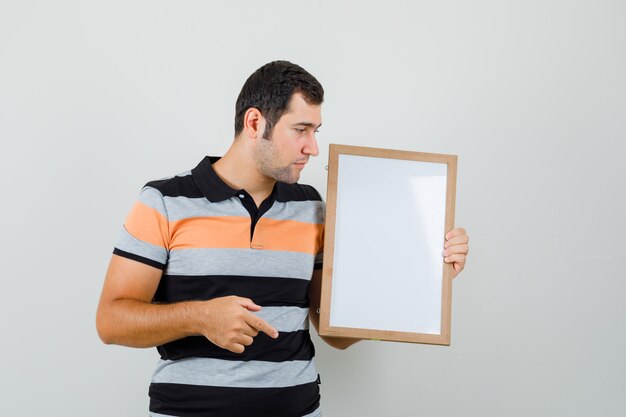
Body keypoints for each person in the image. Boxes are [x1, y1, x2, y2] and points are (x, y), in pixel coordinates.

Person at [96, 60, 470, 417]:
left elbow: (334, 330)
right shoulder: (164, 201)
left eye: (315, 131)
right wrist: (200, 316)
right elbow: (111, 321)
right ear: (255, 122)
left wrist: (424, 281)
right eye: (301, 129)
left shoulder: (311, 208)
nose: (312, 147)